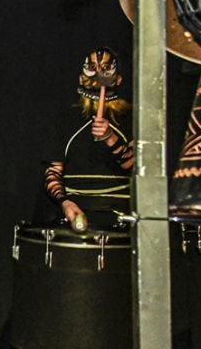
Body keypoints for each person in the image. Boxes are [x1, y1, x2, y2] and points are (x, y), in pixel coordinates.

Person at [38, 48, 132, 233]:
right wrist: (64, 202)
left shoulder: (131, 117)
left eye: (105, 69)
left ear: (118, 79)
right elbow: (52, 173)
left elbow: (136, 166)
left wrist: (110, 138)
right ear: (81, 78)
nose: (98, 74)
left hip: (121, 217)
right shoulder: (66, 120)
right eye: (91, 68)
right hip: (77, 213)